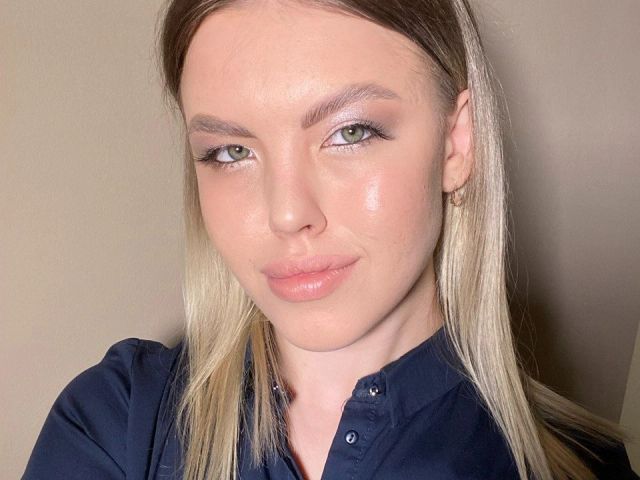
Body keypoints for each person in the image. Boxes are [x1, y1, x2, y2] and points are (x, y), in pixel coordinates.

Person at [22, 1, 639, 479]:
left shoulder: (580, 467)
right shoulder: (120, 421)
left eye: (350, 132)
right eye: (231, 151)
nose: (287, 213)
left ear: (456, 144)